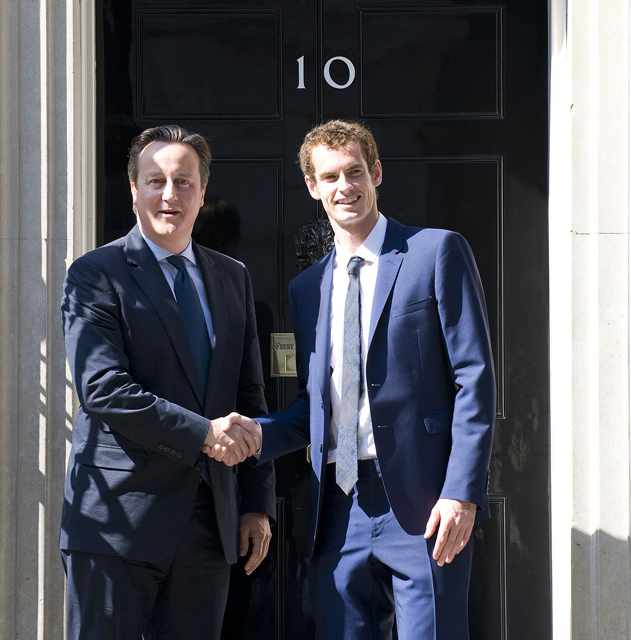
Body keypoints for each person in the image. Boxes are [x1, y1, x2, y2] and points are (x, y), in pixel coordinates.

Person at [208, 120, 495, 638]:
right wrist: (249, 437)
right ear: (312, 188)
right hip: (337, 509)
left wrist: (462, 492)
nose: (346, 186)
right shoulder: (307, 288)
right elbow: (312, 410)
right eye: (331, 176)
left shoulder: (435, 252)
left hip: (425, 502)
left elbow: (473, 377)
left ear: (377, 173)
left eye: (355, 172)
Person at [59, 124, 276, 639]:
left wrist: (254, 503)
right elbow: (103, 388)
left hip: (209, 524)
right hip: (116, 519)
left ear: (202, 193)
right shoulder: (95, 273)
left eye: (184, 181)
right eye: (155, 180)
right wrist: (204, 433)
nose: (169, 193)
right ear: (133, 190)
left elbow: (250, 395)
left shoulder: (232, 277)